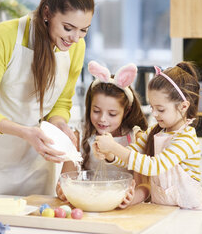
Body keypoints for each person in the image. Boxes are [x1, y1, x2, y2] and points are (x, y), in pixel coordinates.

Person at [0, 0, 95, 196]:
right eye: (68, 28)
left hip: (36, 158)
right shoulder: (6, 35)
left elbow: (62, 102)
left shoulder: (76, 48)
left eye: (84, 30)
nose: (75, 38)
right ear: (46, 13)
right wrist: (25, 133)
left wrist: (60, 124)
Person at [94, 62, 202, 210]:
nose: (154, 114)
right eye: (152, 107)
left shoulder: (186, 139)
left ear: (184, 106)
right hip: (164, 210)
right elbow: (130, 156)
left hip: (192, 212)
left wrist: (113, 147)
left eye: (160, 109)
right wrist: (109, 154)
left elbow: (154, 166)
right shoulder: (154, 132)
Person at [56, 60, 150, 208]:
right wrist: (63, 192)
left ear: (127, 111)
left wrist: (131, 198)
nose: (102, 119)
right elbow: (65, 181)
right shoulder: (79, 135)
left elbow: (145, 188)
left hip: (124, 211)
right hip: (89, 207)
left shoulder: (135, 137)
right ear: (89, 106)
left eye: (112, 114)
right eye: (96, 111)